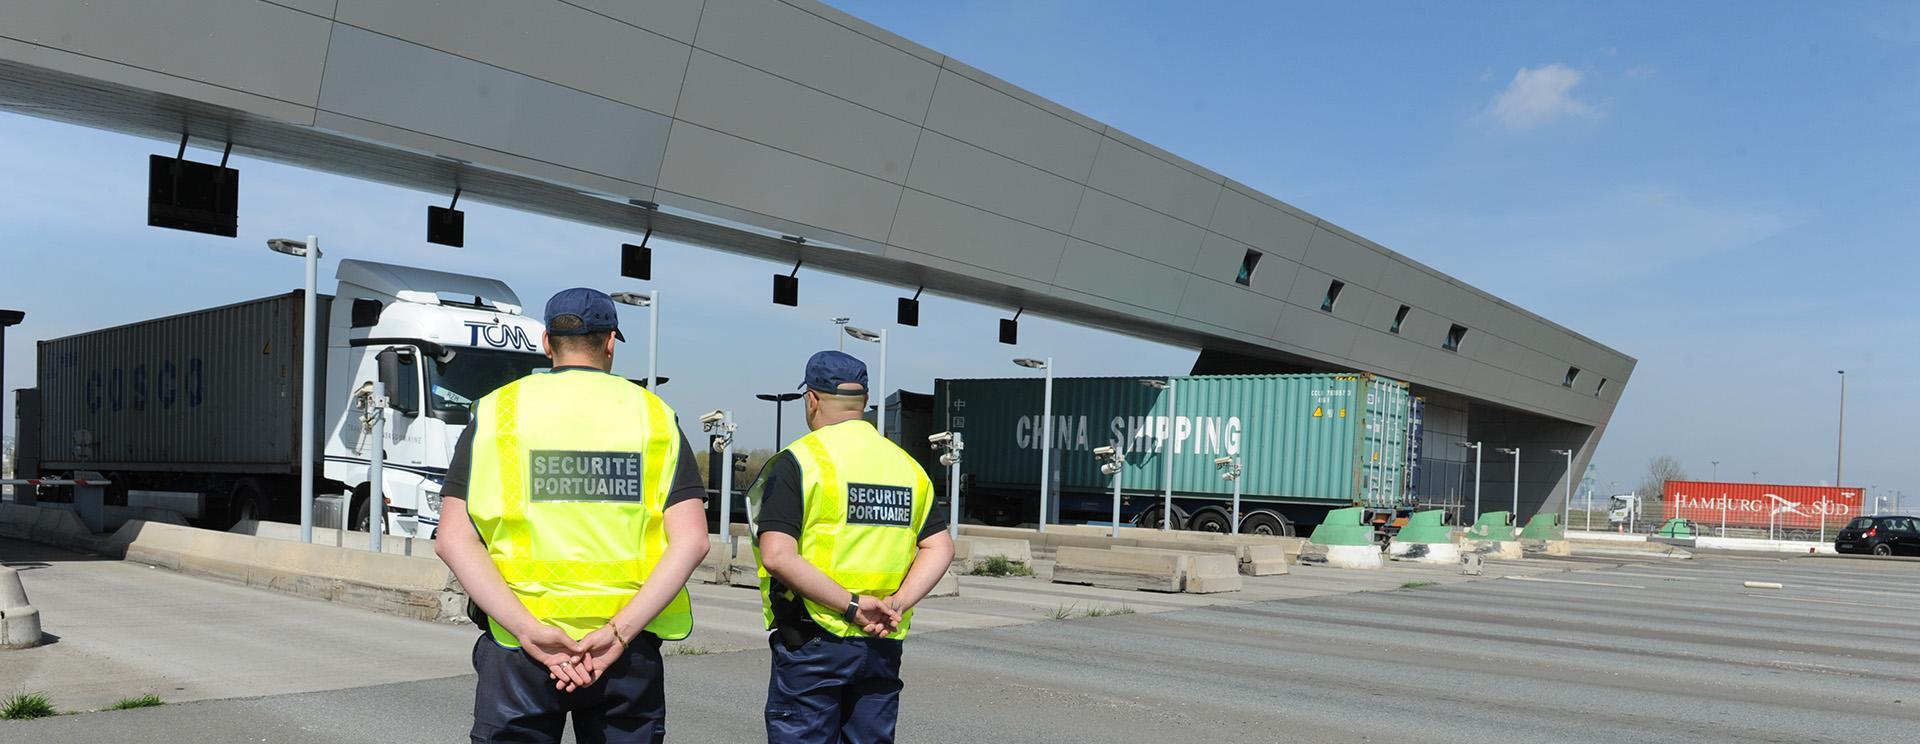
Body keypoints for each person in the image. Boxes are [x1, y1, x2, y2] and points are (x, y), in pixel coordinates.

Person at [435, 287, 710, 744]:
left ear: (547, 343)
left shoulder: (497, 411)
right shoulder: (655, 416)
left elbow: (452, 539)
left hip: (520, 648)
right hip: (625, 650)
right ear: (610, 343)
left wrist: (529, 631)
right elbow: (692, 541)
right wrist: (617, 634)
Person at [748, 351, 956, 743]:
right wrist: (897, 604)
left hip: (815, 636)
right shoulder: (907, 466)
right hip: (882, 641)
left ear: (812, 399)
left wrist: (852, 606)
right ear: (864, 402)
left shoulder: (798, 461)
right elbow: (940, 546)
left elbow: (777, 555)